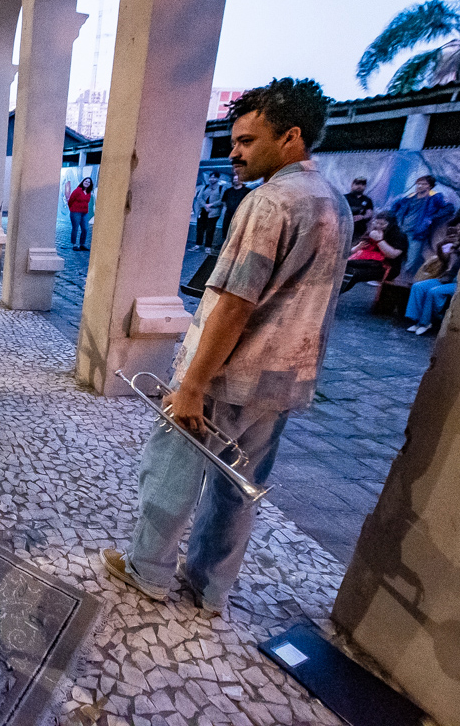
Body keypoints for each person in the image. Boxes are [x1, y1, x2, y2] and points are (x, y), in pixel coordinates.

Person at [101, 78, 351, 615]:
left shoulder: (269, 202)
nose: (232, 152)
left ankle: (149, 572)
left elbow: (235, 303)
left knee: (171, 474)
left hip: (225, 376)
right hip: (282, 382)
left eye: (246, 141)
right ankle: (211, 589)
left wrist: (191, 386)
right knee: (238, 491)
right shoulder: (334, 201)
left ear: (291, 137)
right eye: (233, 140)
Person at [405, 225, 460, 335]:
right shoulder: (456, 248)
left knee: (434, 291)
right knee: (418, 286)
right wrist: (443, 244)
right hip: (447, 278)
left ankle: (425, 322)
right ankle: (416, 320)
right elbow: (444, 259)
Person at [389, 175, 454, 279]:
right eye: (419, 183)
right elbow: (395, 206)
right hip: (401, 230)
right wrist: (394, 219)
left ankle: (403, 280)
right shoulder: (410, 196)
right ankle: (390, 277)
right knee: (395, 254)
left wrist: (432, 218)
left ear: (430, 186)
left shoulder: (435, 197)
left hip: (417, 233)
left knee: (412, 258)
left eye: (424, 184)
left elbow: (449, 208)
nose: (420, 186)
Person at [339, 212, 408, 293]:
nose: (378, 226)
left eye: (382, 224)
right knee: (344, 264)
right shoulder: (373, 231)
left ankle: (337, 293)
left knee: (356, 274)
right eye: (377, 223)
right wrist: (358, 247)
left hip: (387, 266)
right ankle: (334, 291)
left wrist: (379, 241)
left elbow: (392, 255)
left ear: (391, 224)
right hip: (368, 261)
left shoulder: (399, 236)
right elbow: (354, 250)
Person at [191, 172, 224, 252]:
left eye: (214, 177)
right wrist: (205, 205)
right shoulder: (205, 187)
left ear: (217, 179)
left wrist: (211, 205)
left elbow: (221, 200)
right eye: (211, 177)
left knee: (210, 229)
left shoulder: (221, 188)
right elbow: (199, 197)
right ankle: (198, 244)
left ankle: (208, 246)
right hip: (203, 211)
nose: (212, 179)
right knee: (200, 228)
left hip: (214, 213)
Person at [218, 172, 251, 241]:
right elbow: (224, 202)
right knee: (227, 231)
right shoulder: (228, 191)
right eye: (234, 179)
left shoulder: (247, 191)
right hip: (228, 214)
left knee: (238, 232)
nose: (236, 180)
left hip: (241, 215)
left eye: (238, 179)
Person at [66, 177, 93, 251]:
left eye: (88, 182)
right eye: (86, 181)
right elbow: (70, 200)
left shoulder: (88, 192)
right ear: (83, 182)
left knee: (85, 229)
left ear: (90, 184)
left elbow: (87, 201)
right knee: (75, 228)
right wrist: (72, 209)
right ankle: (74, 245)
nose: (87, 183)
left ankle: (82, 244)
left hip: (84, 213)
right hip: (75, 212)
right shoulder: (77, 190)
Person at [345, 177, 374, 241]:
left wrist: (362, 217)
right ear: (352, 185)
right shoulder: (344, 198)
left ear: (365, 187)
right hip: (345, 227)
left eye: (363, 184)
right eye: (357, 184)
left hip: (360, 230)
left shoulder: (367, 200)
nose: (360, 186)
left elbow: (369, 213)